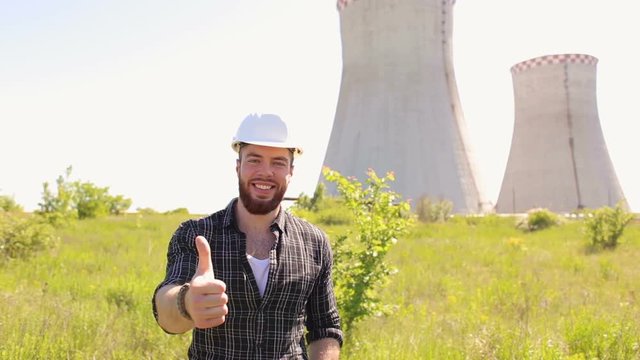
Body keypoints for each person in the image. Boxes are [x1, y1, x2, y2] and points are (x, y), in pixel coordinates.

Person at [152, 113, 343, 359]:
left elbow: (325, 327)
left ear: (291, 171)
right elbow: (167, 315)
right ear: (238, 166)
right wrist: (187, 303)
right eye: (254, 160)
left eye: (278, 162)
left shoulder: (314, 243)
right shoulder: (197, 234)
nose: (266, 172)